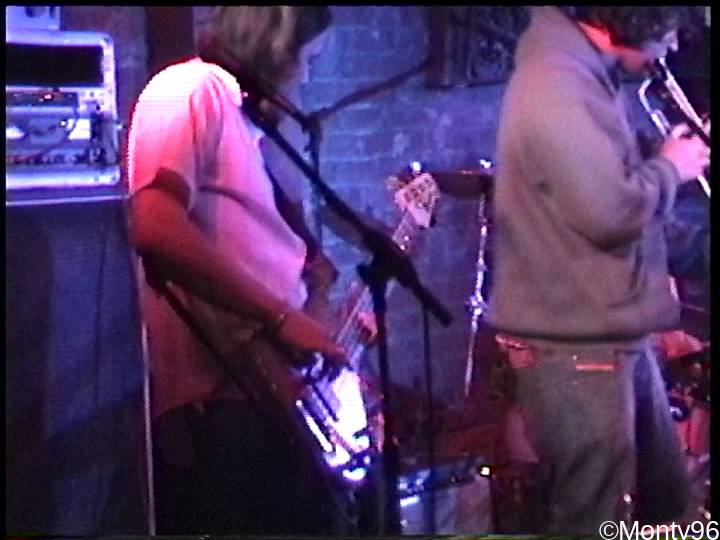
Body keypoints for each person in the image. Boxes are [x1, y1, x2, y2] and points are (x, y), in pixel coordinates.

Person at [126, 6, 359, 535]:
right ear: (276, 46)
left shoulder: (242, 118)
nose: (305, 76)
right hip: (225, 403)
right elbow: (154, 224)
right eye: (306, 58)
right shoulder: (191, 88)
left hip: (263, 398)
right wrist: (280, 317)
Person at [486, 6, 710, 534]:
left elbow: (615, 199)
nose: (672, 46)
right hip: (574, 345)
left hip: (608, 333)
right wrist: (671, 168)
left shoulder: (583, 75)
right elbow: (609, 214)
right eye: (668, 31)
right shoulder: (558, 83)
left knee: (666, 505)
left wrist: (666, 161)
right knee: (594, 517)